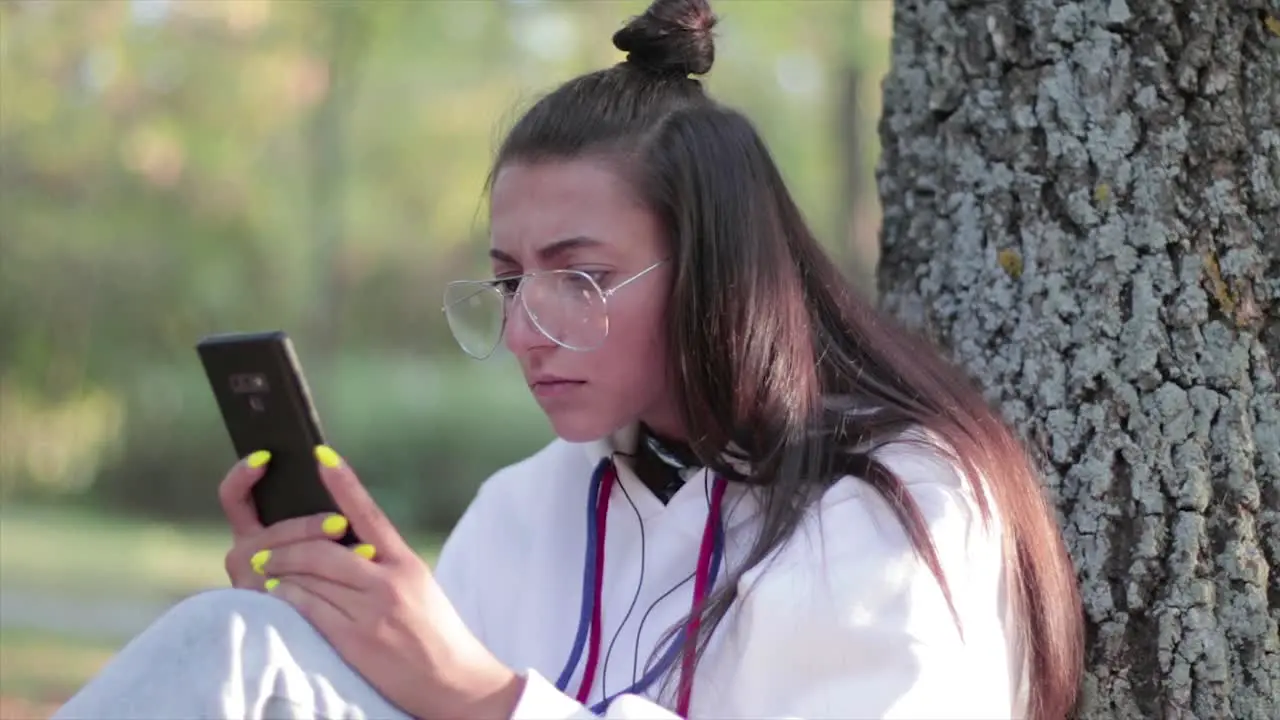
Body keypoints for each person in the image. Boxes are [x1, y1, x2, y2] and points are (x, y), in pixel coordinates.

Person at [51, 0, 1085, 718]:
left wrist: (484, 699)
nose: (523, 330)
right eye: (508, 281)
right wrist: (332, 636)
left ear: (714, 273)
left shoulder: (894, 506)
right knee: (244, 643)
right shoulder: (527, 508)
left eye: (578, 278)